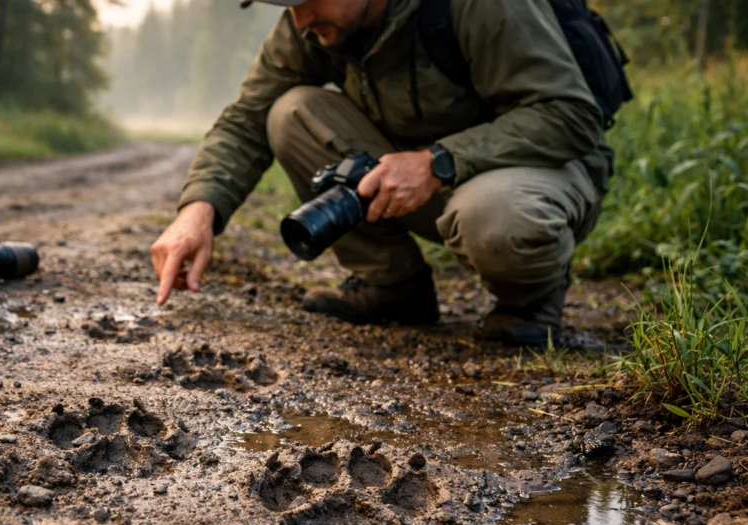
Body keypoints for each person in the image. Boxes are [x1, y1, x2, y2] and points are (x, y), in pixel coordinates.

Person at [150, 0, 615, 347]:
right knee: (289, 112)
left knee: (494, 216)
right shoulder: (313, 22)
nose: (299, 18)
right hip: (427, 175)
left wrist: (436, 162)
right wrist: (198, 210)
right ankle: (392, 286)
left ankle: (528, 302)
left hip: (541, 169)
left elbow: (570, 114)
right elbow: (246, 118)